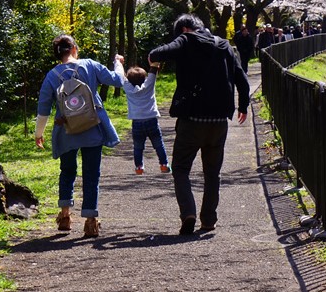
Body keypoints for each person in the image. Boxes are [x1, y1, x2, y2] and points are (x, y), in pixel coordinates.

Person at [148, 14, 249, 236]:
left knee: (181, 169)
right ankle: (209, 220)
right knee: (213, 173)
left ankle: (188, 214)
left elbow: (156, 53)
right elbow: (241, 79)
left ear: (185, 29)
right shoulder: (225, 45)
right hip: (219, 123)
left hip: (192, 122)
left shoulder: (186, 39)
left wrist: (153, 60)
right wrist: (243, 106)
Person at [35, 34, 124, 238]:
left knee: (67, 171)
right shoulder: (90, 65)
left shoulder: (52, 75)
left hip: (66, 130)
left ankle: (65, 216)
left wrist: (39, 133)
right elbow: (117, 80)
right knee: (92, 174)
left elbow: (43, 108)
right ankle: (91, 222)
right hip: (92, 127)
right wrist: (117, 63)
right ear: (75, 48)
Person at [122, 63, 171, 175]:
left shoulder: (128, 88)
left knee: (138, 147)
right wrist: (154, 63)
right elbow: (153, 72)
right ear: (145, 78)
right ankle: (164, 165)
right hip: (151, 120)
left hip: (137, 122)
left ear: (129, 80)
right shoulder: (149, 86)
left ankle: (139, 167)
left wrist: (118, 63)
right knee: (158, 144)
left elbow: (121, 75)